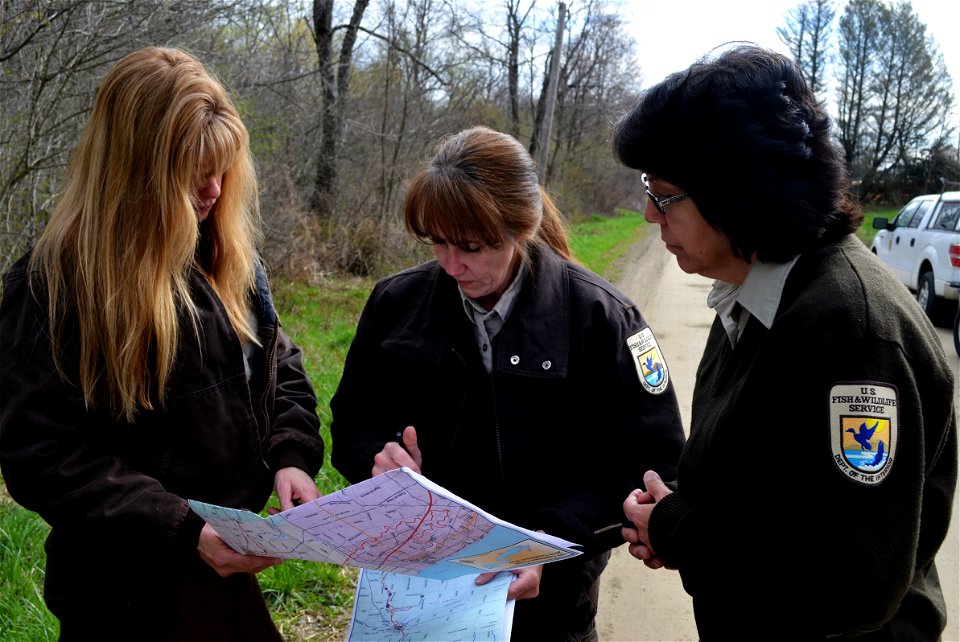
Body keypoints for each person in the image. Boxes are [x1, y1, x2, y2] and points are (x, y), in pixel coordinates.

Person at [613, 45, 958, 639]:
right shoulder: (754, 293)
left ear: (741, 193)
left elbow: (849, 580)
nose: (649, 214)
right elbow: (771, 482)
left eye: (665, 195)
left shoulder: (851, 331)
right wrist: (676, 513)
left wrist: (679, 529)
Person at [0, 47, 325, 641]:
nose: (212, 190)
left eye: (223, 169)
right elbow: (40, 454)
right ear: (133, 171)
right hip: (122, 591)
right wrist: (181, 527)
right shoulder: (55, 286)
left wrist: (292, 456)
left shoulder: (225, 259)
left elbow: (279, 364)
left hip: (223, 574)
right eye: (191, 173)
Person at [328, 125, 686, 641]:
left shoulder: (601, 318)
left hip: (552, 604)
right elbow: (354, 422)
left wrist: (549, 541)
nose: (452, 265)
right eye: (438, 243)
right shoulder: (396, 305)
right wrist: (375, 459)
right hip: (420, 592)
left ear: (521, 228)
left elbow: (653, 464)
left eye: (472, 246)